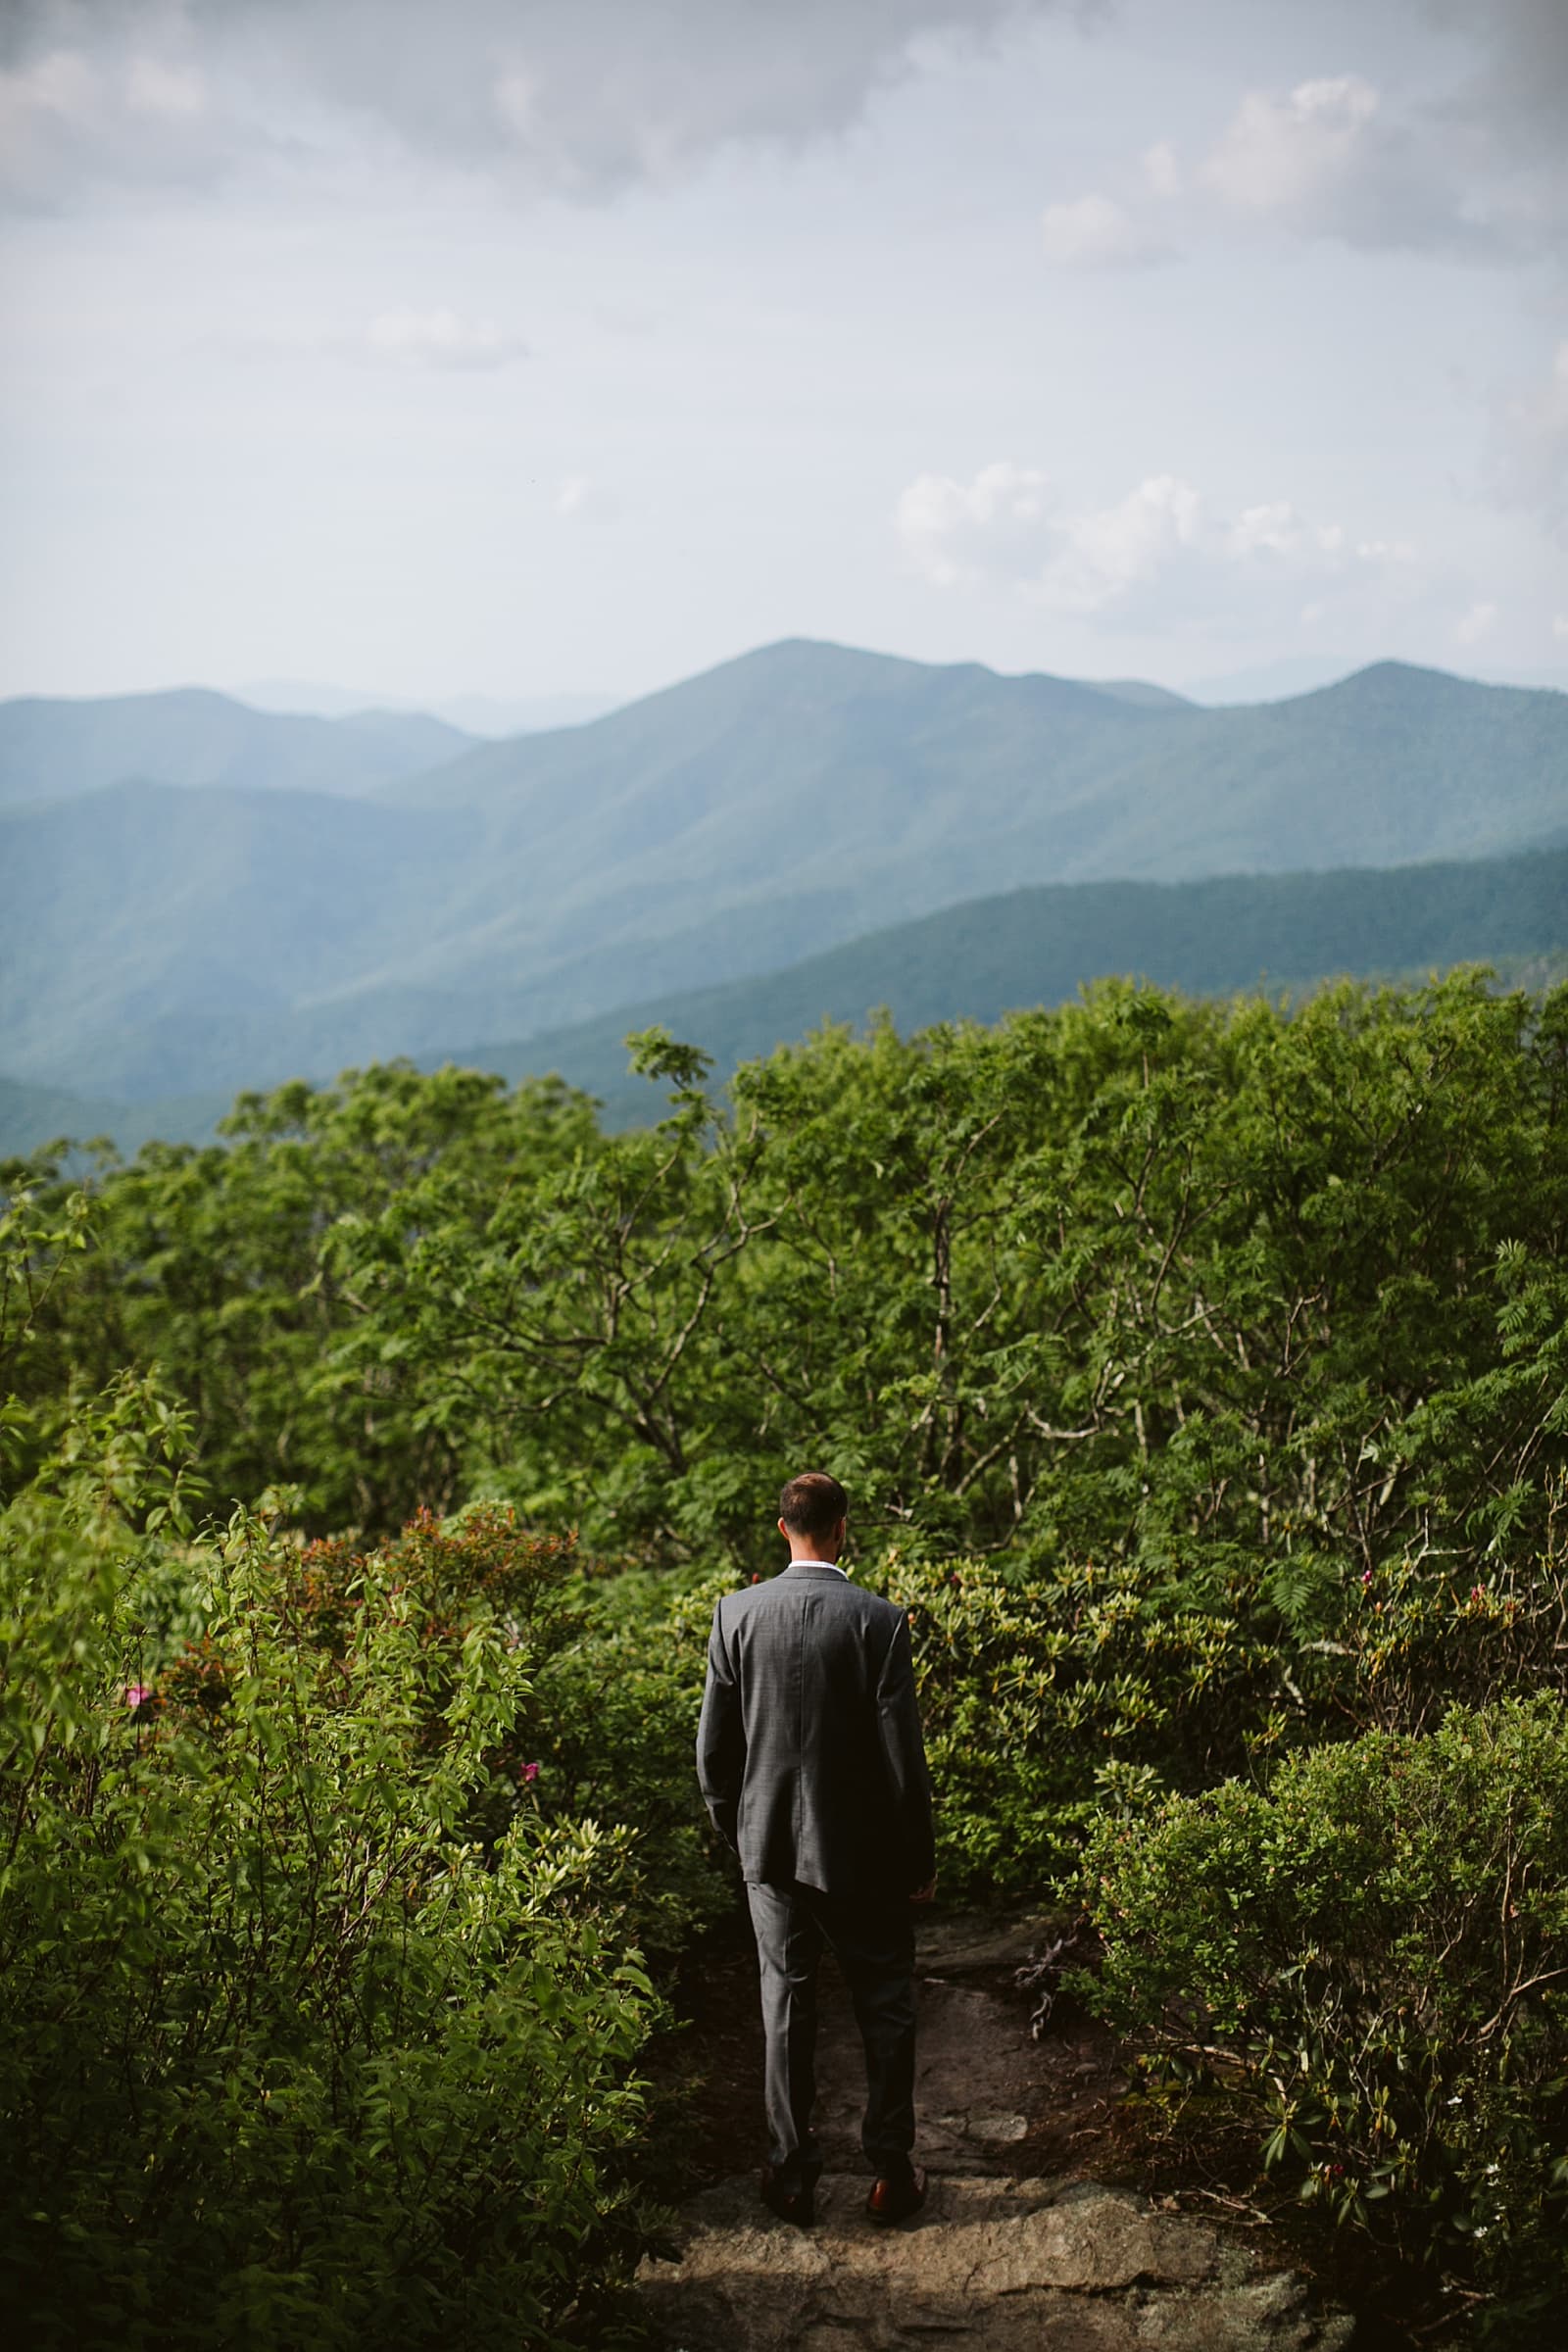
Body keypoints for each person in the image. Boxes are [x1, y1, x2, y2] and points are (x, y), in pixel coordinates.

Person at [696, 1471, 936, 2228]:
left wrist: (737, 1830)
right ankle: (891, 2173)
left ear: (782, 1528)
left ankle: (791, 2175)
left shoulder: (735, 1615)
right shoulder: (880, 1621)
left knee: (786, 2001)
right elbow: (904, 1762)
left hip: (766, 1846)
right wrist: (918, 1859)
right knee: (886, 2005)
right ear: (841, 1528)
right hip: (861, 1852)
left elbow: (714, 1754)